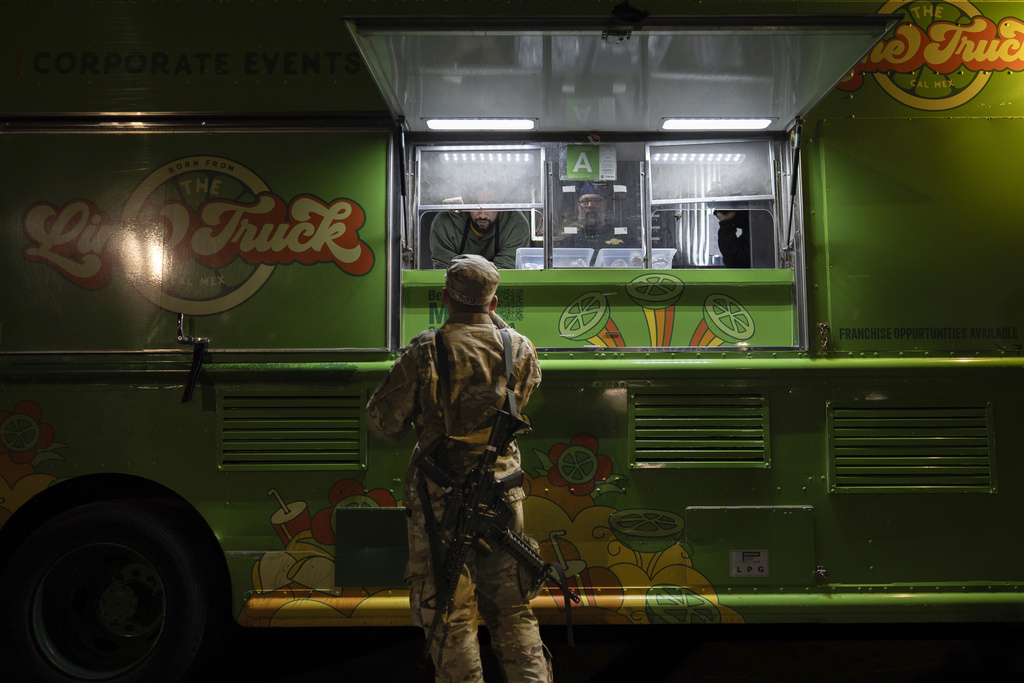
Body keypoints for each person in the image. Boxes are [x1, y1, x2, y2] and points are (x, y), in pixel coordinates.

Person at [366, 254, 550, 682]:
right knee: (514, 613)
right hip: (503, 500)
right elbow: (526, 391)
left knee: (449, 616)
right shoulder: (519, 348)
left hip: (441, 506)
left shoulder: (426, 349)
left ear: (445, 297)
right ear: (493, 300)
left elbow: (384, 424)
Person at [553, 182, 640, 259]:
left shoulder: (624, 236)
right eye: (585, 201)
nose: (590, 205)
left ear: (605, 204)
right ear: (578, 206)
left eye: (596, 200)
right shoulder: (571, 240)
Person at [429, 208, 531, 269]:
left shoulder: (515, 224)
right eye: (476, 205)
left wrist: (466, 269)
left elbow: (507, 270)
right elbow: (444, 270)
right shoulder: (445, 222)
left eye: (490, 206)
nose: (482, 215)